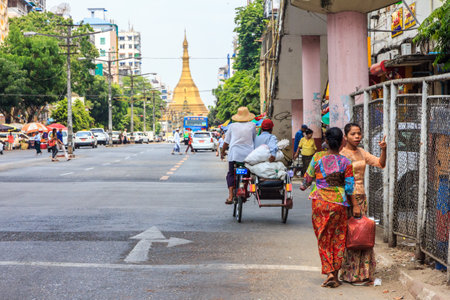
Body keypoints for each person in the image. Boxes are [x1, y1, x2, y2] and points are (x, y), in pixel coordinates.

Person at [299, 127, 355, 288]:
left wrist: (303, 186)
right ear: (342, 142)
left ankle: (329, 272)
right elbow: (350, 188)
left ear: (326, 141)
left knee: (323, 238)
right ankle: (335, 275)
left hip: (320, 202)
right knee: (338, 239)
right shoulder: (346, 162)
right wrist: (354, 206)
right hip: (339, 204)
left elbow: (307, 179)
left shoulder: (317, 157)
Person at [339, 123, 386, 286]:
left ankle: (363, 273)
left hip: (361, 196)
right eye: (353, 134)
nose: (357, 136)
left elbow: (381, 163)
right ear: (345, 137)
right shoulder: (341, 154)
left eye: (359, 133)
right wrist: (353, 203)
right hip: (347, 198)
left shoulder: (361, 152)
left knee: (362, 233)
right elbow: (343, 180)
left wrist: (383, 149)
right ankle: (349, 273)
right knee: (350, 234)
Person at [221, 107, 256, 205]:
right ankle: (244, 188)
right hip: (248, 155)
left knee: (231, 174)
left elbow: (226, 142)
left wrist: (222, 152)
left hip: (234, 154)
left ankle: (231, 196)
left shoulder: (232, 126)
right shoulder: (252, 125)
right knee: (247, 174)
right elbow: (254, 140)